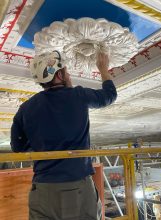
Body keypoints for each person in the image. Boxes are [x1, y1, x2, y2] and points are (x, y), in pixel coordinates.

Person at [10, 50, 117, 220]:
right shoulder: (78, 95)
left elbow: (18, 147)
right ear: (59, 75)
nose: (68, 74)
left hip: (43, 189)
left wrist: (42, 144)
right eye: (66, 71)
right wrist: (103, 68)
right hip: (77, 188)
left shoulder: (26, 108)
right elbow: (109, 96)